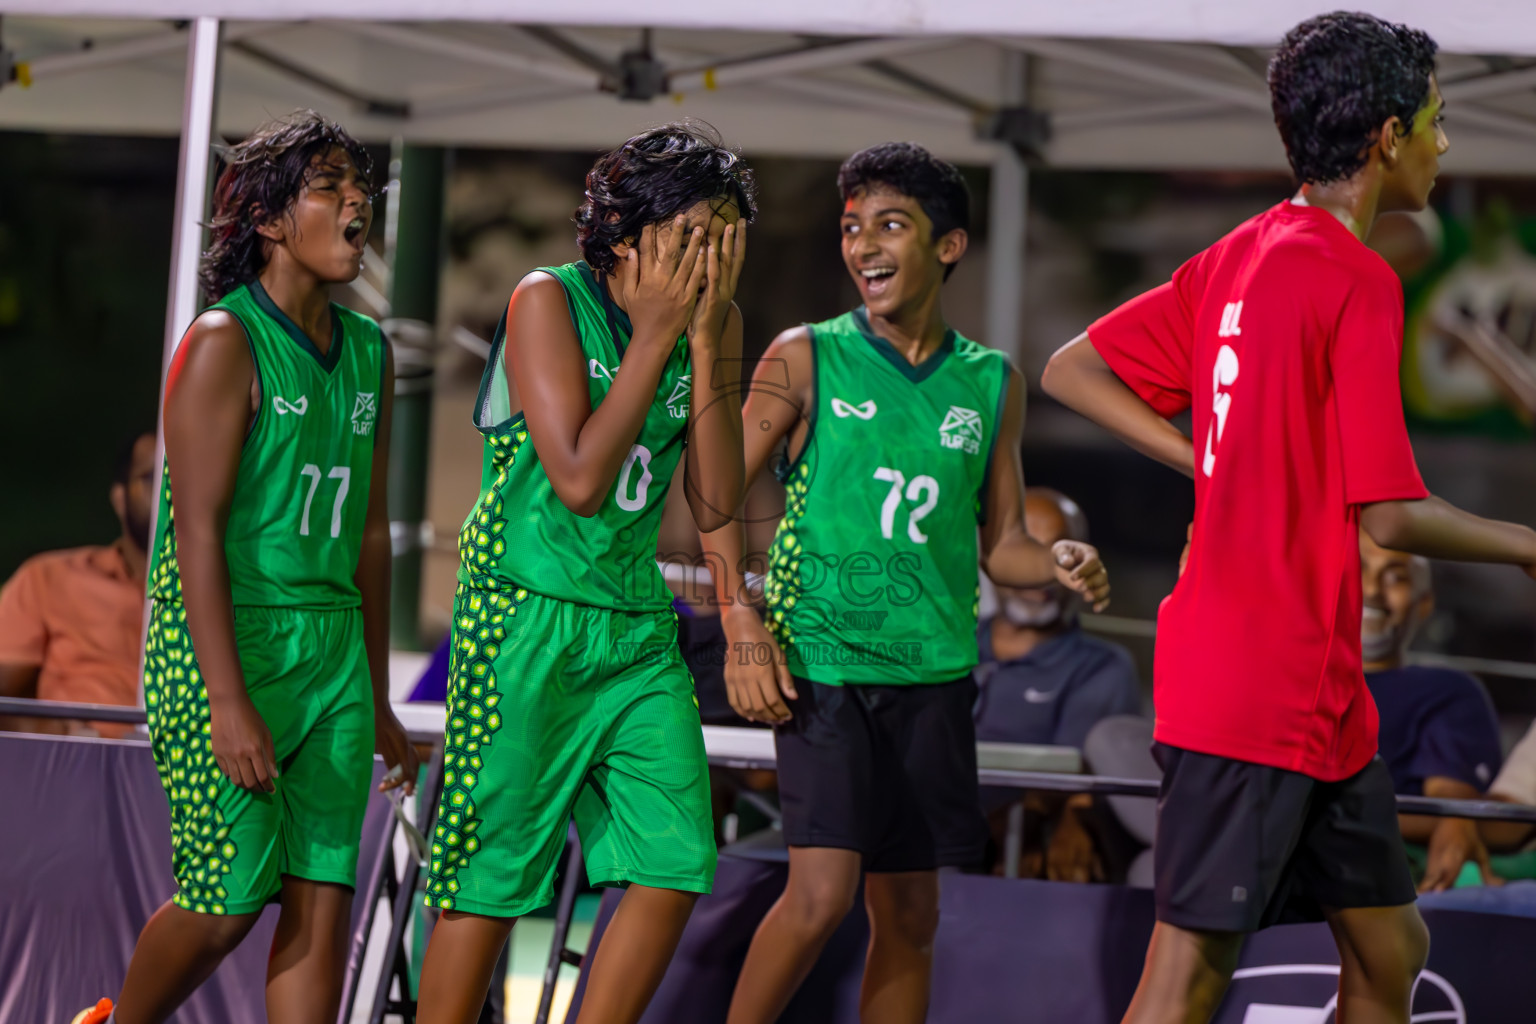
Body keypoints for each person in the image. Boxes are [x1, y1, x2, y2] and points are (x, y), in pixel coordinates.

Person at [1043, 13, 1536, 1024]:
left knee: (1390, 945)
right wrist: (1526, 545)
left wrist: (1215, 462)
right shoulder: (1355, 276)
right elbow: (1393, 518)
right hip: (1257, 686)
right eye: (1437, 123)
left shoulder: (1240, 253)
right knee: (1185, 979)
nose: (1445, 147)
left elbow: (1072, 368)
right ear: (1388, 137)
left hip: (1319, 696)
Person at [701, 142, 1110, 1024]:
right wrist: (743, 621)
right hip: (826, 669)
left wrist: (1058, 560)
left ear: (950, 246)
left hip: (933, 680)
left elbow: (1002, 544)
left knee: (913, 914)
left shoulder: (991, 380)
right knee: (818, 897)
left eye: (890, 225)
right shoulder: (805, 355)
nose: (864, 246)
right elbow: (712, 491)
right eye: (853, 228)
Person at [412, 122, 754, 1024]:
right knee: (492, 878)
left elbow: (718, 496)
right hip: (525, 617)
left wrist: (709, 344)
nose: (711, 255)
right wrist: (654, 340)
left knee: (675, 861)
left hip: (634, 630)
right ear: (633, 232)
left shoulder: (711, 323)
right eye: (695, 233)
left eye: (726, 236)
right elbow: (577, 477)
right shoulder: (547, 300)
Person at [90, 111, 419, 1024]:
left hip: (334, 651)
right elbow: (190, 529)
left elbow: (370, 530)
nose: (358, 203)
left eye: (363, 188)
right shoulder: (225, 341)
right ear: (272, 219)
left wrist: (377, 692)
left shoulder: (369, 350)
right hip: (228, 643)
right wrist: (227, 697)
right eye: (331, 186)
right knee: (227, 901)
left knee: (324, 894)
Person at [973, 487, 1142, 882]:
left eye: (1059, 552)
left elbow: (1073, 780)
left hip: (1007, 849)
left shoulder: (1101, 667)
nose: (1040, 571)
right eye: (1028, 550)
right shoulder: (948, 646)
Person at [1360, 531, 1504, 892]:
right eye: (1356, 570)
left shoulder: (1444, 691)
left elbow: (1450, 809)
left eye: (1395, 576)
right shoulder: (1280, 679)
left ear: (1423, 605)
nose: (1373, 589)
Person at [0, 431, 154, 737]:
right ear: (119, 498)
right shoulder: (49, 579)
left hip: (195, 769)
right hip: (78, 769)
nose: (171, 490)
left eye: (181, 475)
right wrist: (47, 729)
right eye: (154, 478)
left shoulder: (239, 593)